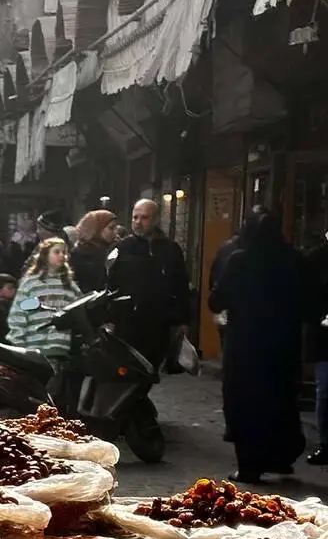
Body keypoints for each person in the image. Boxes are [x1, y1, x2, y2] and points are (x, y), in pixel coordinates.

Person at [209, 211, 306, 482]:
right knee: (280, 400)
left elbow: (216, 300)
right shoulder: (293, 259)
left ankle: (249, 466)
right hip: (283, 345)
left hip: (245, 346)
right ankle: (280, 457)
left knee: (245, 402)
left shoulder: (240, 260)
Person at [107, 198, 191, 373]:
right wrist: (110, 317)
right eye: (134, 217)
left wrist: (182, 319)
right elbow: (110, 283)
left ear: (155, 220)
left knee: (150, 372)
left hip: (158, 325)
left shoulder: (170, 249)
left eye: (144, 218)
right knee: (128, 375)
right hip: (128, 324)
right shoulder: (122, 248)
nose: (138, 222)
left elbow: (181, 284)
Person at [6, 238, 82, 362]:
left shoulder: (69, 286)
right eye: (57, 252)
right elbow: (19, 314)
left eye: (64, 253)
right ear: (45, 255)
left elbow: (79, 313)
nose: (61, 256)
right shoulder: (31, 284)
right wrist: (18, 344)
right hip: (34, 348)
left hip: (60, 349)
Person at [302, 228, 328, 466]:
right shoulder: (315, 259)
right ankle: (326, 443)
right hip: (325, 336)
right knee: (325, 390)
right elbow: (305, 298)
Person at [71, 210, 118, 293]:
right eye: (111, 228)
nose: (115, 233)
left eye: (116, 228)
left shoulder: (115, 250)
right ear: (96, 228)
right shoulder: (78, 254)